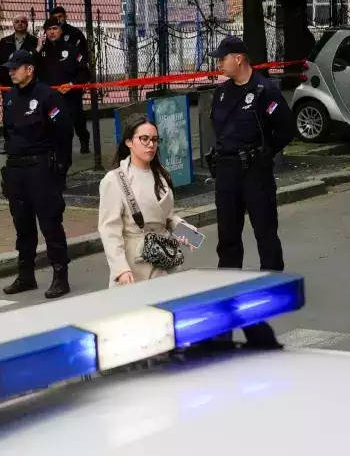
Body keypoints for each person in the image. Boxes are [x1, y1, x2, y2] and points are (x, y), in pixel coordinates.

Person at [207, 35, 293, 273]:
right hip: (227, 171)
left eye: (223, 59)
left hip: (255, 171)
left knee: (265, 232)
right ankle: (229, 281)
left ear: (238, 58)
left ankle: (272, 282)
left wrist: (266, 152)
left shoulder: (265, 90)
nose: (219, 64)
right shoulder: (221, 93)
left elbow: (286, 129)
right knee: (227, 235)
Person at [0, 49, 73, 298]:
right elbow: (8, 133)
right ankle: (25, 275)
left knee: (50, 223)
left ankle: (60, 276)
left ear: (29, 69)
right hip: (16, 169)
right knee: (22, 225)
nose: (11, 72)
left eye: (15, 68)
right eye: (10, 68)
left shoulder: (47, 95)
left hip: (40, 168)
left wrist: (61, 167)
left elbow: (64, 131)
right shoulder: (10, 97)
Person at [98, 116, 198, 286]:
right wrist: (121, 269)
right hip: (135, 264)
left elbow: (167, 216)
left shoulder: (162, 174)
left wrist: (183, 229)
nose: (151, 144)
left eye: (155, 139)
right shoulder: (115, 179)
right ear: (129, 142)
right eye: (144, 139)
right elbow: (109, 230)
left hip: (165, 256)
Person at [38, 18, 90, 154]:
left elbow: (84, 73)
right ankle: (54, 156)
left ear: (61, 31)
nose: (52, 32)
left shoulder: (71, 49)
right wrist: (37, 48)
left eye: (55, 29)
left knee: (75, 123)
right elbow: (29, 69)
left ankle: (83, 141)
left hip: (69, 97)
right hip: (49, 99)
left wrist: (72, 84)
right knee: (52, 127)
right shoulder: (40, 51)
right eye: (49, 29)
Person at [0, 15, 38, 149]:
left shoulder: (34, 41)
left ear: (27, 24)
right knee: (9, 112)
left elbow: (37, 62)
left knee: (28, 111)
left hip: (28, 84)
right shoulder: (5, 41)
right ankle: (9, 142)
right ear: (13, 24)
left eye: (23, 22)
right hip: (9, 85)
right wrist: (3, 79)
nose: (20, 24)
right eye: (17, 22)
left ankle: (28, 141)